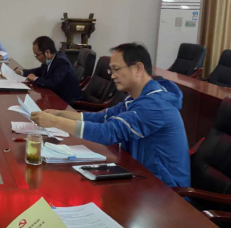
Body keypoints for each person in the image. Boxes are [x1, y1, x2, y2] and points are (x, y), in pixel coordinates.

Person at [31, 43, 191, 188]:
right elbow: (103, 117)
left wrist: (55, 122)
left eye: (116, 69)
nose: (112, 75)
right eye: (111, 70)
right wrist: (61, 114)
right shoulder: (136, 99)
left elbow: (109, 132)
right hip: (140, 175)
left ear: (138, 68)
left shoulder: (156, 106)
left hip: (164, 190)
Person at [16, 36, 83, 105]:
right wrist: (21, 72)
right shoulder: (50, 59)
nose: (36, 58)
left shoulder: (62, 62)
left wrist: (35, 79)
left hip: (67, 103)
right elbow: (39, 71)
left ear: (47, 52)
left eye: (37, 55)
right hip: (56, 98)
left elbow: (52, 82)